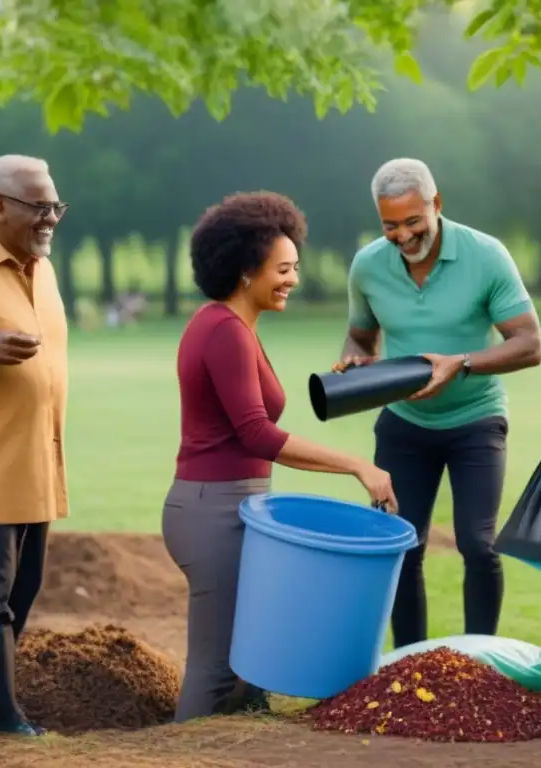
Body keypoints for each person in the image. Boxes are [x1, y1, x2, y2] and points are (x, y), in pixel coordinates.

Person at [162, 192, 397, 723]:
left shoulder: (231, 325)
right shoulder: (224, 330)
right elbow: (257, 434)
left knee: (247, 663)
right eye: (283, 269)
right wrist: (359, 465)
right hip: (212, 513)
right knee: (217, 666)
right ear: (247, 271)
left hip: (231, 507)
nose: (294, 278)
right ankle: (183, 755)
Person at [335, 158, 541, 648]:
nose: (404, 236)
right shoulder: (367, 266)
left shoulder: (486, 255)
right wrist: (355, 361)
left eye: (414, 222)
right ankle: (409, 661)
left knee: (478, 543)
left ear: (437, 204)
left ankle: (480, 664)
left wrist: (461, 363)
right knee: (402, 545)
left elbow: (530, 344)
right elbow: (361, 338)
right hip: (404, 423)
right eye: (390, 225)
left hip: (476, 419)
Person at [0, 155, 69, 738]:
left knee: (23, 592)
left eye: (56, 206)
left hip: (36, 466)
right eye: (39, 207)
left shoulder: (42, 268)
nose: (51, 219)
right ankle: (5, 721)